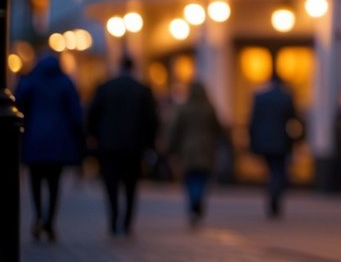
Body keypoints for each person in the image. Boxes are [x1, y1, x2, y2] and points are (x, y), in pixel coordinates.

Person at [87, 55, 159, 237]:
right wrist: (149, 144)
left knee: (111, 184)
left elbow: (92, 114)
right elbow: (152, 120)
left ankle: (113, 219)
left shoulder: (106, 88)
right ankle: (127, 222)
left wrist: (93, 137)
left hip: (109, 145)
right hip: (134, 146)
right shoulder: (142, 89)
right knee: (131, 184)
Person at [17, 52, 85, 242]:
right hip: (58, 142)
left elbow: (18, 103)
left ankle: (38, 215)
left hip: (34, 140)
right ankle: (50, 221)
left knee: (35, 182)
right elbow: (76, 114)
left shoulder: (31, 81)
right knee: (54, 184)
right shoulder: (65, 82)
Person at [164, 81, 223, 226]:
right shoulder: (209, 109)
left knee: (190, 178)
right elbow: (218, 129)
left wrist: (170, 147)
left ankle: (194, 201)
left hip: (188, 150)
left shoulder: (183, 109)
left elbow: (174, 130)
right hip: (206, 149)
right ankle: (198, 200)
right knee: (202, 178)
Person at [248, 72, 298, 219]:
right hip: (281, 140)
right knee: (279, 170)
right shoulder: (286, 97)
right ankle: (275, 195)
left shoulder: (259, 97)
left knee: (271, 169)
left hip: (264, 141)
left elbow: (253, 121)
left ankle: (272, 192)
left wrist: (253, 141)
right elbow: (293, 120)